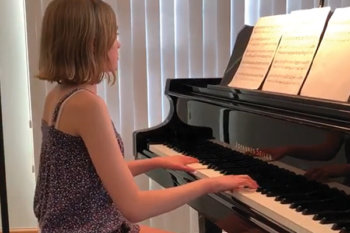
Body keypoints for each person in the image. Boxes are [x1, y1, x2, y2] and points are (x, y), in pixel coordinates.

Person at [33, 0, 258, 232]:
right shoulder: (88, 105)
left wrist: (159, 161)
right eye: (113, 35)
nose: (118, 44)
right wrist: (210, 184)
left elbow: (90, 174)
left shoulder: (58, 96)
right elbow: (135, 207)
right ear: (92, 44)